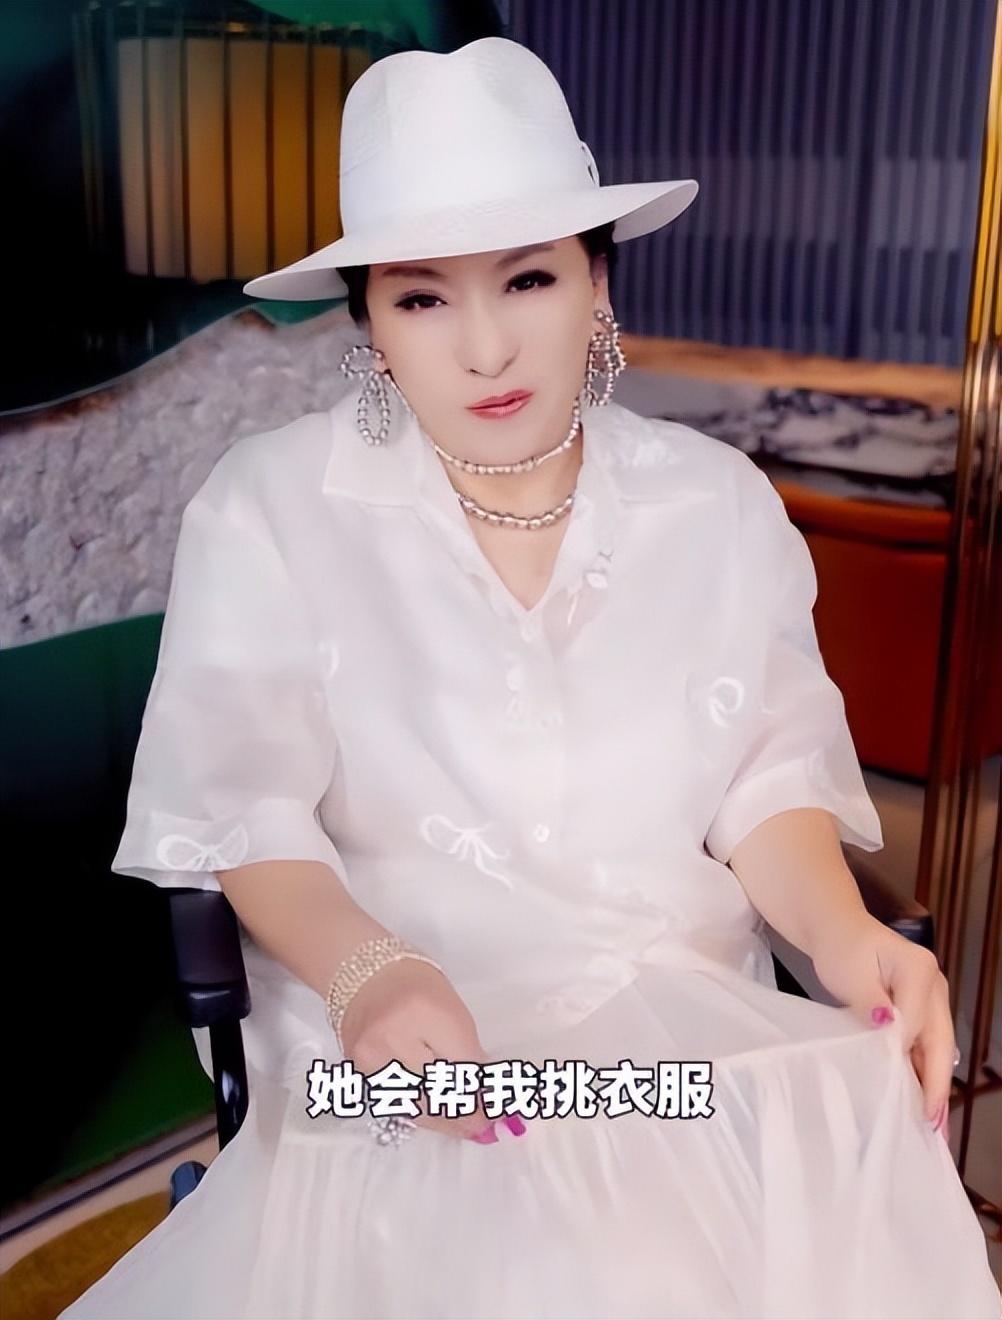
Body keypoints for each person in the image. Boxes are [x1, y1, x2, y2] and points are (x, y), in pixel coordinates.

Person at [64, 37, 999, 1320]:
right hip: (394, 1026)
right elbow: (242, 813)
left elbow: (767, 782)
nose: (487, 347)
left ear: (598, 282)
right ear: (367, 325)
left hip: (680, 1030)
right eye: (422, 299)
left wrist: (844, 935)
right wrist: (366, 973)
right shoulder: (268, 506)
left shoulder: (718, 503)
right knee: (571, 1270)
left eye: (530, 278)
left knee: (805, 1200)